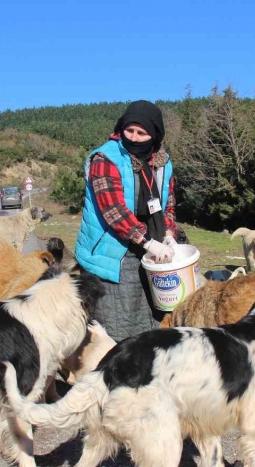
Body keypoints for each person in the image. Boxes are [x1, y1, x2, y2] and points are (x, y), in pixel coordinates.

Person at [74, 100, 178, 342]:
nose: (134, 137)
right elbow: (113, 211)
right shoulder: (105, 159)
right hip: (112, 253)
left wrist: (169, 233)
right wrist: (149, 243)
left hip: (150, 247)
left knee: (150, 319)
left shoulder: (162, 162)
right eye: (129, 130)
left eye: (142, 133)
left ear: (154, 135)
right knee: (113, 326)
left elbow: (169, 202)